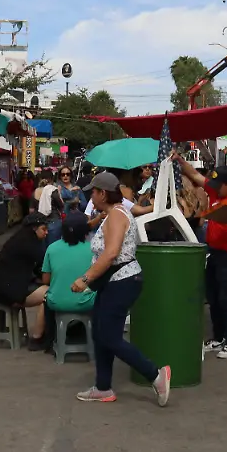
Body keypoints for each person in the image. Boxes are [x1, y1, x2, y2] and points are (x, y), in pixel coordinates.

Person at [71, 172, 171, 406]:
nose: (91, 198)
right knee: (101, 332)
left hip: (121, 281)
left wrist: (86, 279)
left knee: (108, 336)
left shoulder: (116, 215)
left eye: (93, 193)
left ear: (102, 193)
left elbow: (111, 253)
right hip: (115, 281)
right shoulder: (113, 214)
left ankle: (155, 375)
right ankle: (103, 387)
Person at [177, 156, 227, 359]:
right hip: (212, 252)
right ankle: (218, 337)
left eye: (218, 185)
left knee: (226, 298)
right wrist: (179, 159)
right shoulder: (215, 191)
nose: (214, 188)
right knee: (213, 297)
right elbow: (194, 174)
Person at [0, 212, 50, 350]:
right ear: (34, 228)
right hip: (10, 291)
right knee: (49, 295)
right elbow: (44, 267)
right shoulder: (29, 244)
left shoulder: (18, 239)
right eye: (43, 229)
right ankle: (37, 338)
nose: (46, 232)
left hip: (0, 288)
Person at [41, 212, 96, 315]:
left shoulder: (52, 248)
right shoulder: (93, 249)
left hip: (55, 303)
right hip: (87, 303)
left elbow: (46, 280)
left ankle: (49, 331)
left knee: (45, 297)